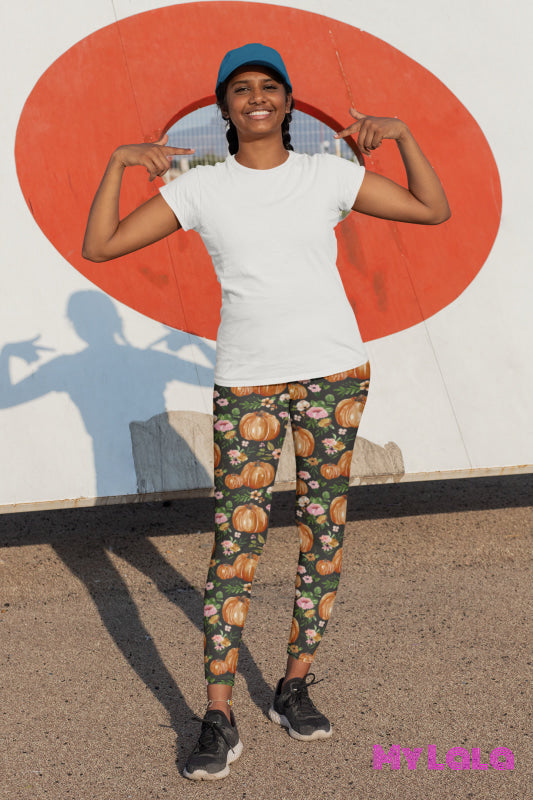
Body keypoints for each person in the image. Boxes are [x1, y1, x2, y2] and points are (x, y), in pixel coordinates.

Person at [83, 42, 450, 781]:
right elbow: (101, 245)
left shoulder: (327, 175)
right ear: (224, 106)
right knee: (236, 544)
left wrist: (405, 135)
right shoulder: (201, 186)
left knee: (323, 532)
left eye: (270, 85)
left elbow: (431, 209)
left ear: (287, 102)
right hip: (248, 382)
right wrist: (117, 165)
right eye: (241, 87)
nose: (257, 96)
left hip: (334, 375)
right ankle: (218, 715)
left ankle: (292, 686)